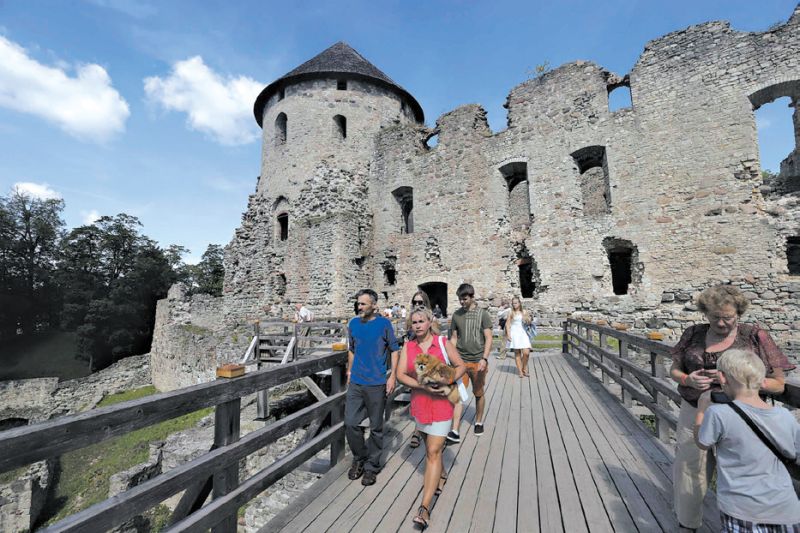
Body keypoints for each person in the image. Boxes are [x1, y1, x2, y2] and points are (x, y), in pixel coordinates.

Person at [670, 284, 794, 531]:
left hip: (743, 414)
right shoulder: (693, 333)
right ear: (706, 313)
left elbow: (779, 384)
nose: (722, 323)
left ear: (739, 313)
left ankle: (745, 522)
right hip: (697, 408)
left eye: (728, 317)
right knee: (689, 468)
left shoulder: (754, 336)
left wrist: (736, 379)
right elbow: (674, 369)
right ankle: (688, 524)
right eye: (715, 317)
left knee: (746, 470)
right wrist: (687, 379)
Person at [694, 348, 800, 531]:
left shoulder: (718, 413)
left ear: (722, 378)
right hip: (785, 506)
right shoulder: (785, 415)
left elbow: (702, 442)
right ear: (763, 380)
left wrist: (701, 409)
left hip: (741, 508)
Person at [397, 307, 466, 529]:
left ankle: (424, 509)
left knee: (433, 452)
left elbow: (461, 365)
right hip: (420, 405)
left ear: (429, 322)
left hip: (442, 406)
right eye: (414, 322)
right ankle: (442, 475)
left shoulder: (443, 342)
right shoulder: (408, 347)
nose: (417, 325)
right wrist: (421, 386)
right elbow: (400, 374)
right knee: (429, 447)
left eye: (421, 321)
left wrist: (447, 381)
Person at [345, 289, 400, 486]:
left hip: (377, 382)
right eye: (358, 303)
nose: (359, 307)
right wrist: (350, 372)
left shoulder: (384, 324)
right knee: (351, 423)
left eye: (363, 304)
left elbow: (394, 350)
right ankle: (359, 458)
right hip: (357, 382)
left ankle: (372, 466)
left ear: (374, 305)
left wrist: (392, 376)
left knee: (376, 427)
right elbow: (352, 349)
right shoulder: (353, 324)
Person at [448, 283, 492, 442]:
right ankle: (454, 430)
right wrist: (450, 358)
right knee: (457, 394)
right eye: (460, 299)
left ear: (472, 297)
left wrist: (484, 358)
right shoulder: (456, 315)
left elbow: (488, 337)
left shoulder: (483, 314)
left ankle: (479, 421)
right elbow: (453, 337)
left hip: (478, 362)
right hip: (461, 361)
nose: (462, 302)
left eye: (465, 299)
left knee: (478, 393)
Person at [407, 289, 440, 450]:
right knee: (417, 397)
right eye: (415, 302)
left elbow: (437, 337)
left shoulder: (430, 319)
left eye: (421, 302)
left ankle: (421, 431)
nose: (417, 305)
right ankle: (421, 429)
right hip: (414, 359)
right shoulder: (411, 319)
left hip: (427, 360)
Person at [506, 296, 532, 378]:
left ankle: (524, 367)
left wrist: (528, 319)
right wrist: (509, 335)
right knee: (517, 353)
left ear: (519, 303)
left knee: (526, 353)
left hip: (523, 333)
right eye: (513, 303)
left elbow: (528, 321)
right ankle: (520, 371)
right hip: (514, 333)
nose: (514, 305)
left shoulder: (524, 312)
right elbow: (507, 324)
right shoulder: (511, 312)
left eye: (516, 303)